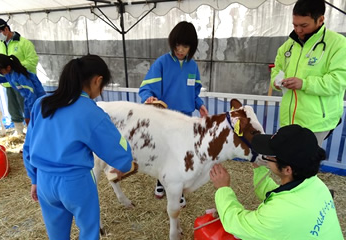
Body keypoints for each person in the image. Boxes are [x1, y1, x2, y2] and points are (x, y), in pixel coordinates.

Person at [23, 55, 133, 240]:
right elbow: (120, 151)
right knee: (89, 233)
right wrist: (123, 165)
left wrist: (34, 178)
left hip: (44, 181)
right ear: (97, 80)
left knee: (56, 235)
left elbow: (28, 147)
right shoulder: (91, 111)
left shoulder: (41, 103)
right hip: (75, 183)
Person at [209, 124, 343, 240]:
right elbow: (278, 195)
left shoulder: (278, 215)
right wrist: (259, 170)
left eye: (270, 156)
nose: (266, 158)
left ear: (287, 169)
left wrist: (223, 188)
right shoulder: (316, 185)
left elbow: (236, 224)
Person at [138, 21, 208, 205]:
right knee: (164, 153)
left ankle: (178, 188)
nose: (180, 49)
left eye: (185, 46)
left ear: (191, 47)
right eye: (177, 45)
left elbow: (193, 93)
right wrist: (149, 98)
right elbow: (146, 88)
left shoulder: (192, 67)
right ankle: (161, 182)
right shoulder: (162, 63)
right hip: (164, 118)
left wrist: (199, 105)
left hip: (185, 120)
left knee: (181, 155)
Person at [270, 0, 346, 146]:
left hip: (316, 122)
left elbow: (338, 81)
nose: (298, 30)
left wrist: (304, 84)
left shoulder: (339, 44)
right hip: (288, 120)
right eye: (294, 25)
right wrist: (276, 82)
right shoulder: (288, 46)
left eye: (304, 26)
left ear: (320, 20)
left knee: (304, 164)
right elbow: (276, 71)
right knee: (286, 164)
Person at [0, 18, 39, 134]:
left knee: (26, 106)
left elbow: (33, 61)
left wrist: (15, 68)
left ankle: (31, 129)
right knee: (12, 107)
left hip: (23, 81)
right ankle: (18, 130)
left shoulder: (23, 43)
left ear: (6, 29)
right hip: (8, 82)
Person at [0, 54, 45, 126]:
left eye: (0, 70)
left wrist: (30, 112)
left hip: (38, 102)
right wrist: (27, 115)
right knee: (29, 121)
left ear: (8, 67)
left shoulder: (20, 76)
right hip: (28, 100)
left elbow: (31, 94)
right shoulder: (9, 74)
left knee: (37, 123)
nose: (0, 73)